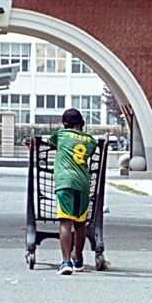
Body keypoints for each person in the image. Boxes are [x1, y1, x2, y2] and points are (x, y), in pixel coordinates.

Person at [45, 109, 99, 275]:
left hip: (65, 183)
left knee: (65, 223)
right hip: (83, 184)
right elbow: (90, 151)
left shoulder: (61, 134)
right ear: (82, 123)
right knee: (80, 223)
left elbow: (50, 143)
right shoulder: (91, 141)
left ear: (65, 123)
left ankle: (66, 261)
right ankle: (79, 259)